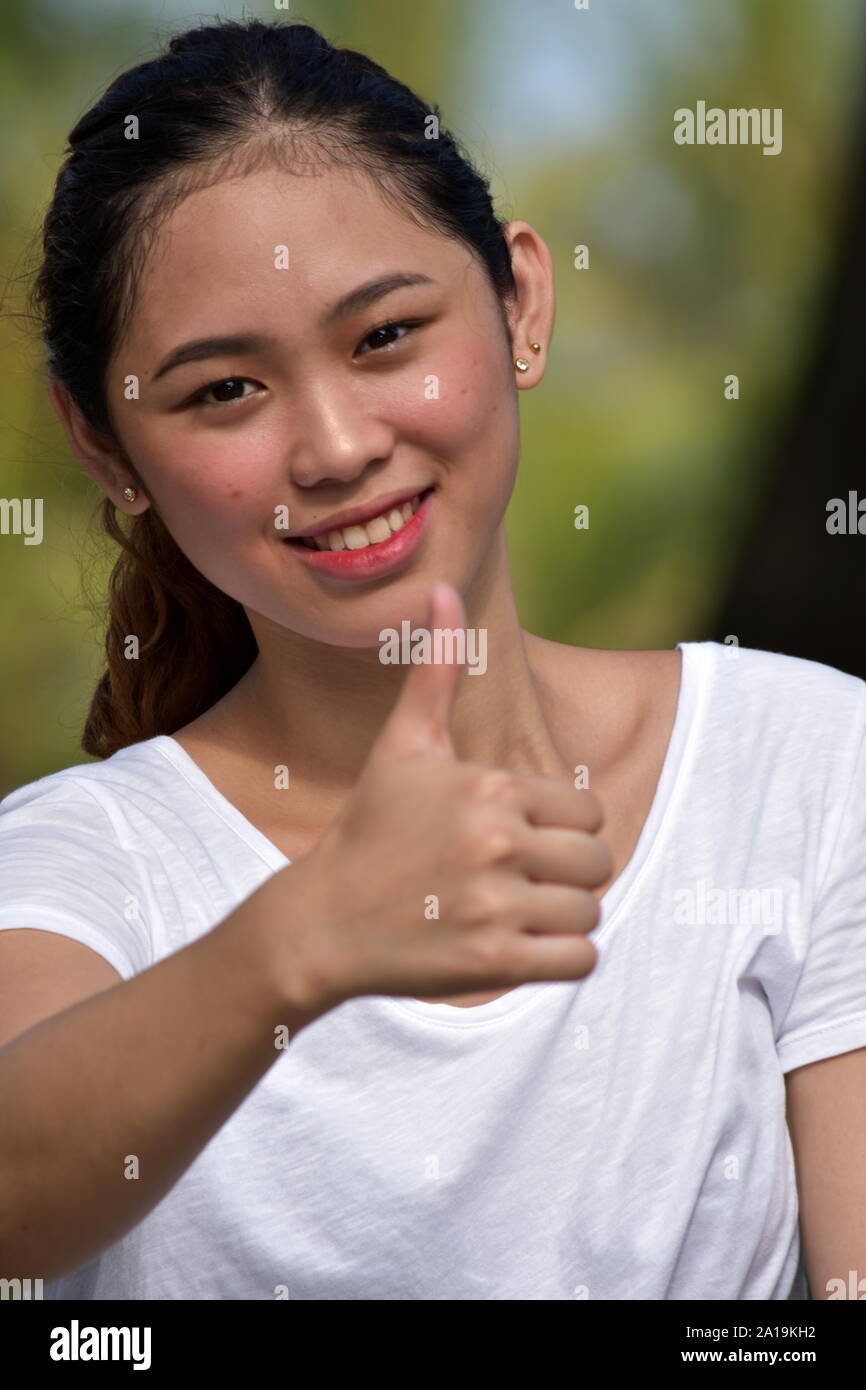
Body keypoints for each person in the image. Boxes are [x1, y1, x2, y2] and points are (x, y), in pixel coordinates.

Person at [1, 17, 864, 1302]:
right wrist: (301, 938)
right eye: (223, 391)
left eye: (384, 336)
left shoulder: (800, 758)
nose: (336, 446)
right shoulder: (84, 860)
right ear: (106, 446)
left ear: (518, 299)